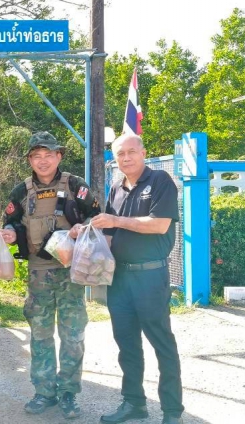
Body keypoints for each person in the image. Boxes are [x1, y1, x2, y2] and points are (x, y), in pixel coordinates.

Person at [84, 134, 184, 424]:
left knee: (162, 343)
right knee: (126, 345)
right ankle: (133, 404)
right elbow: (111, 236)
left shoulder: (160, 181)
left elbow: (159, 224)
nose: (126, 158)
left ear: (143, 152)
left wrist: (115, 221)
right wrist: (85, 237)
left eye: (131, 152)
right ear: (114, 159)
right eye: (120, 154)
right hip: (120, 278)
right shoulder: (116, 186)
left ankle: (172, 411)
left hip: (151, 276)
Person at [0, 131, 100, 420]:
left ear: (59, 156)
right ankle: (44, 392)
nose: (42, 161)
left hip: (71, 272)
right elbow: (12, 224)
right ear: (30, 160)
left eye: (48, 154)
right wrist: (8, 234)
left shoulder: (75, 185)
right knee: (41, 335)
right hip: (38, 274)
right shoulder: (21, 191)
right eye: (36, 156)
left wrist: (85, 227)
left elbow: (95, 214)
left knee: (72, 334)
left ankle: (69, 393)